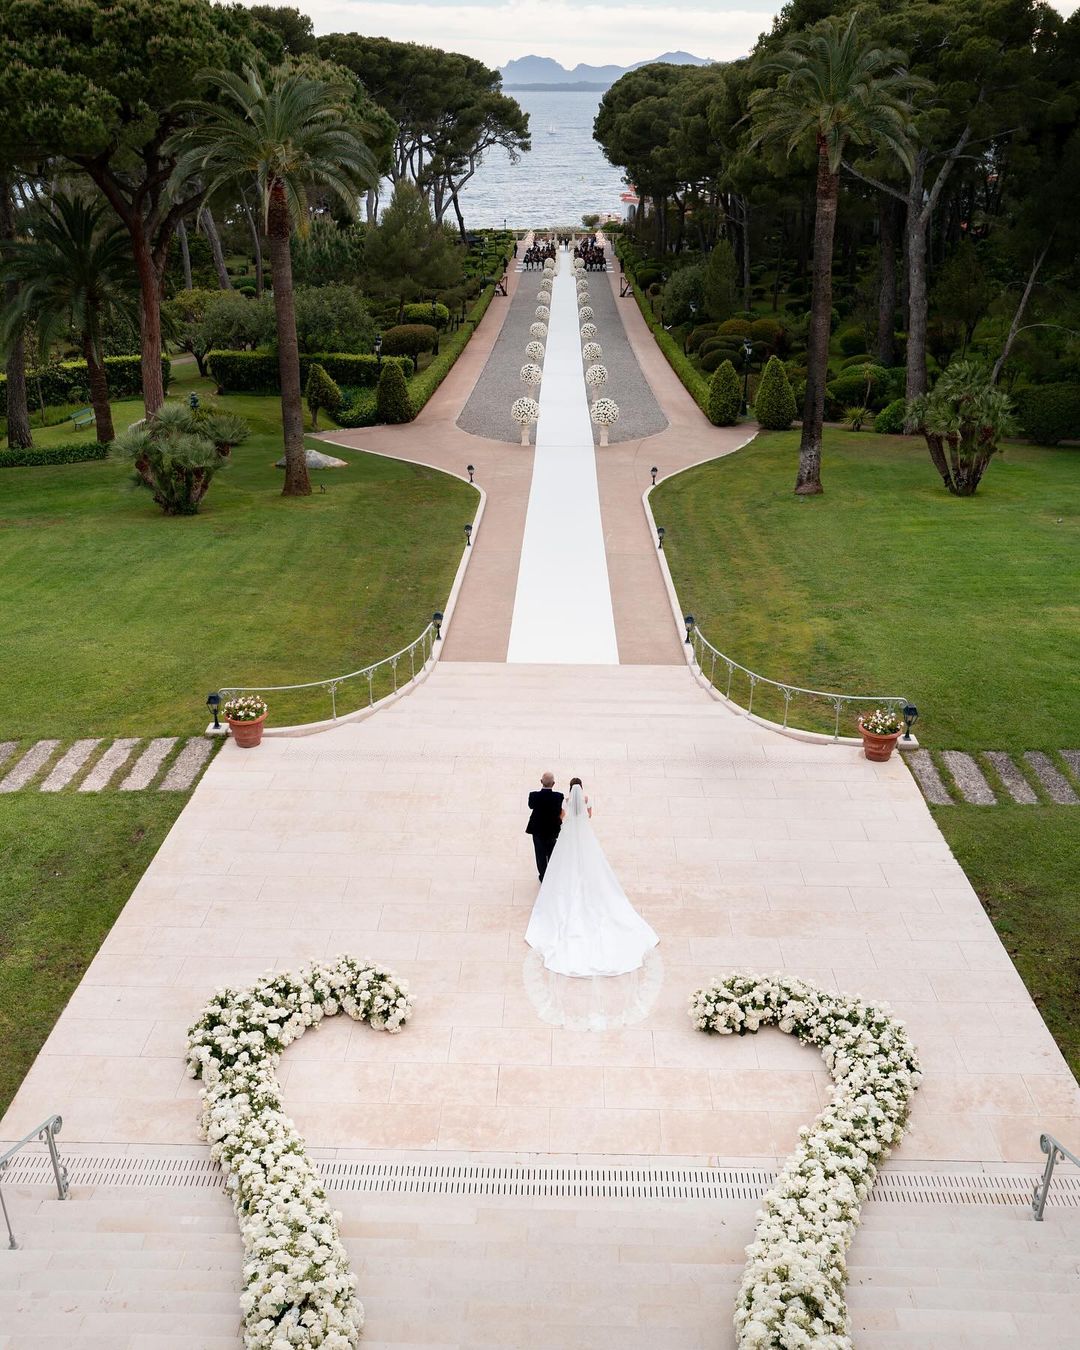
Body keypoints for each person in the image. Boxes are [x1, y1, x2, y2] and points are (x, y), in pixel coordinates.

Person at [525, 781, 659, 977]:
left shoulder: (566, 800)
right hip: (583, 832)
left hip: (570, 832)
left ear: (570, 789)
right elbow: (589, 816)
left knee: (565, 859)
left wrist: (567, 821)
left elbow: (563, 816)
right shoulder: (586, 800)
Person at [525, 771, 563, 882]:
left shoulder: (534, 795)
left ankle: (543, 876)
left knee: (540, 853)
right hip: (552, 830)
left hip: (537, 830)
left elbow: (530, 805)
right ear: (554, 783)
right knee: (552, 852)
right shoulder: (558, 797)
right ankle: (551, 875)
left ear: (541, 782)